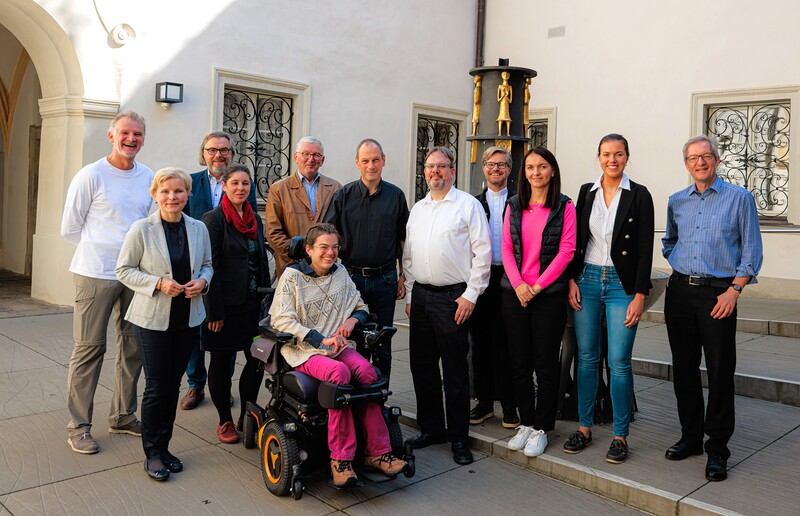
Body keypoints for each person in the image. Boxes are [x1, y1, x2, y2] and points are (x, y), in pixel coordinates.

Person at [270, 223, 408, 487]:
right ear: (308, 249)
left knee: (368, 372)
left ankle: (377, 452)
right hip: (305, 351)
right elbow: (282, 320)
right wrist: (321, 339)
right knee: (339, 373)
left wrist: (352, 321)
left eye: (334, 247)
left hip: (338, 347)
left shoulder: (340, 273)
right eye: (323, 247)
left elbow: (360, 306)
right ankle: (340, 460)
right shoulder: (292, 277)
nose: (330, 253)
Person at [661, 135, 762, 482]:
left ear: (717, 160)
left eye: (706, 156)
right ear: (686, 164)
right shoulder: (677, 201)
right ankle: (690, 437)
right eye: (693, 158)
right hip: (679, 293)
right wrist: (678, 261)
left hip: (719, 295)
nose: (700, 162)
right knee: (684, 368)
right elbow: (669, 240)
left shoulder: (739, 199)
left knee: (720, 371)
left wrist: (734, 290)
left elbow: (751, 251)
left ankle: (717, 448)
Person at [60, 111, 154, 454]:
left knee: (133, 347)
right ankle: (79, 427)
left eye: (138, 134)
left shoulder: (148, 176)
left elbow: (148, 225)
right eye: (125, 133)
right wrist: (101, 251)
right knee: (89, 349)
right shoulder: (91, 175)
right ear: (111, 136)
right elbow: (70, 227)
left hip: (135, 275)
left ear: (143, 139)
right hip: (95, 274)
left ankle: (123, 416)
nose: (131, 139)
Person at [116, 168, 213, 481]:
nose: (172, 197)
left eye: (179, 191)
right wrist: (158, 283)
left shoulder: (198, 228)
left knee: (173, 386)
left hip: (188, 318)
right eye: (166, 191)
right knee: (157, 387)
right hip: (152, 321)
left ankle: (165, 447)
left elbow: (208, 265)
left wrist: (203, 282)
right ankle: (153, 453)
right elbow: (124, 270)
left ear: (188, 194)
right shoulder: (141, 229)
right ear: (155, 195)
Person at [564, 134, 654, 464]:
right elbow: (575, 239)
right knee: (587, 357)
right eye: (606, 154)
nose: (612, 159)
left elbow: (644, 247)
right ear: (598, 157)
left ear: (627, 157)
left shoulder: (639, 194)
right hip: (587, 280)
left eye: (618, 154)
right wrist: (571, 279)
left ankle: (619, 435)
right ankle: (584, 427)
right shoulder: (586, 192)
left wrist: (640, 294)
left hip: (621, 285)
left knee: (619, 360)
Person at [402, 146, 491, 465]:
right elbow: (409, 256)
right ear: (424, 171)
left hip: (453, 298)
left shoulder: (467, 205)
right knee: (422, 366)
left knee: (454, 370)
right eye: (430, 166)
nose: (435, 171)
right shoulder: (418, 209)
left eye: (441, 166)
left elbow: (483, 253)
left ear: (452, 171)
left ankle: (458, 437)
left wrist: (471, 295)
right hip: (421, 297)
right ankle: (432, 429)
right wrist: (410, 295)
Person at [502, 146, 576, 458]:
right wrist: (519, 285)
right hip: (515, 295)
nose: (536, 172)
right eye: (530, 167)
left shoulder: (564, 206)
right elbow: (506, 248)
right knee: (519, 363)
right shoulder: (514, 205)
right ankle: (527, 423)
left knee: (545, 364)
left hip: (548, 297)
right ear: (524, 172)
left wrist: (536, 286)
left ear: (552, 170)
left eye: (542, 166)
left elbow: (567, 250)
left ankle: (543, 428)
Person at [180, 131, 258, 411]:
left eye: (224, 150)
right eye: (212, 150)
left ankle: (221, 387)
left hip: (229, 268)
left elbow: (249, 220)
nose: (218, 155)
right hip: (193, 266)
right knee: (195, 329)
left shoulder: (242, 183)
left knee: (223, 336)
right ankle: (195, 384)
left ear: (231, 154)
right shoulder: (191, 182)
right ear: (203, 153)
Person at [323, 139, 409, 382]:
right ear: (357, 162)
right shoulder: (343, 196)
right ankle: (357, 394)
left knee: (383, 340)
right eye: (366, 161)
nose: (371, 165)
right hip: (352, 279)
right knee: (354, 340)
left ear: (384, 161)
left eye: (375, 160)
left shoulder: (396, 196)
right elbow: (329, 236)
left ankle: (379, 394)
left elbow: (404, 239)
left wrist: (403, 275)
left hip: (386, 279)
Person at [201, 164, 269, 444]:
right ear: (224, 186)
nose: (241, 188)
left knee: (256, 361)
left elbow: (261, 261)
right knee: (221, 362)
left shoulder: (254, 219)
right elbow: (209, 267)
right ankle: (225, 420)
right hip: (224, 308)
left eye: (245, 183)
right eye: (235, 183)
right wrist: (213, 311)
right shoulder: (213, 220)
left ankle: (247, 415)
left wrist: (267, 302)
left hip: (253, 306)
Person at [469, 147, 519, 429]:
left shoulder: (519, 202)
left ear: (509, 170)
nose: (496, 169)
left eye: (502, 164)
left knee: (510, 343)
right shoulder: (473, 204)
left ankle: (510, 404)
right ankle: (485, 402)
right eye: (490, 164)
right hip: (482, 278)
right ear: (484, 168)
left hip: (512, 279)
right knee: (481, 343)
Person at [265, 136, 341, 277]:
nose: (311, 159)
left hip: (326, 267)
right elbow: (273, 232)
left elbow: (340, 228)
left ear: (322, 160)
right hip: (293, 267)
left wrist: (325, 254)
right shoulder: (279, 189)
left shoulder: (335, 188)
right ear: (296, 157)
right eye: (306, 154)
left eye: (316, 155)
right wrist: (300, 254)